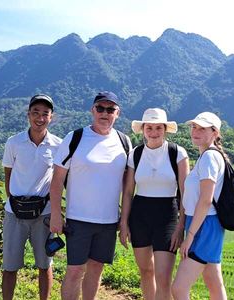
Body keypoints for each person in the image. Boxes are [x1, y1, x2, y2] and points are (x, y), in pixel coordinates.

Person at [49, 91, 132, 300]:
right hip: (79, 219)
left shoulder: (124, 142)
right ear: (92, 110)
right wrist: (56, 214)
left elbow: (128, 184)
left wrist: (124, 221)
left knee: (96, 270)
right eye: (100, 108)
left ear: (118, 113)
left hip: (108, 221)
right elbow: (57, 179)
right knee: (75, 271)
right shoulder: (75, 138)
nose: (105, 113)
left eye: (110, 109)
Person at [119, 108, 189, 300]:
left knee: (163, 278)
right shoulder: (135, 154)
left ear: (165, 129)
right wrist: (124, 223)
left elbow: (185, 194)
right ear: (143, 129)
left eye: (158, 127)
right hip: (139, 216)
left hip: (168, 217)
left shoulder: (178, 153)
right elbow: (127, 192)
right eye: (149, 127)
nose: (154, 132)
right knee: (146, 271)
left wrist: (180, 226)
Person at [1, 94, 62, 300]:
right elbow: (7, 176)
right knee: (9, 266)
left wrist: (56, 212)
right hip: (14, 213)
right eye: (35, 112)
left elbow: (59, 180)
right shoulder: (14, 142)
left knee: (45, 265)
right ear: (28, 115)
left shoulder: (57, 145)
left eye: (45, 113)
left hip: (43, 214)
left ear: (51, 117)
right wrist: (15, 202)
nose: (40, 117)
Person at [171, 112, 227, 300]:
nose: (195, 131)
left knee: (179, 289)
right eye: (194, 127)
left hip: (204, 227)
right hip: (204, 224)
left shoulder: (210, 158)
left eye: (202, 128)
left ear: (215, 132)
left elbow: (206, 199)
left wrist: (190, 236)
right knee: (214, 284)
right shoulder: (207, 156)